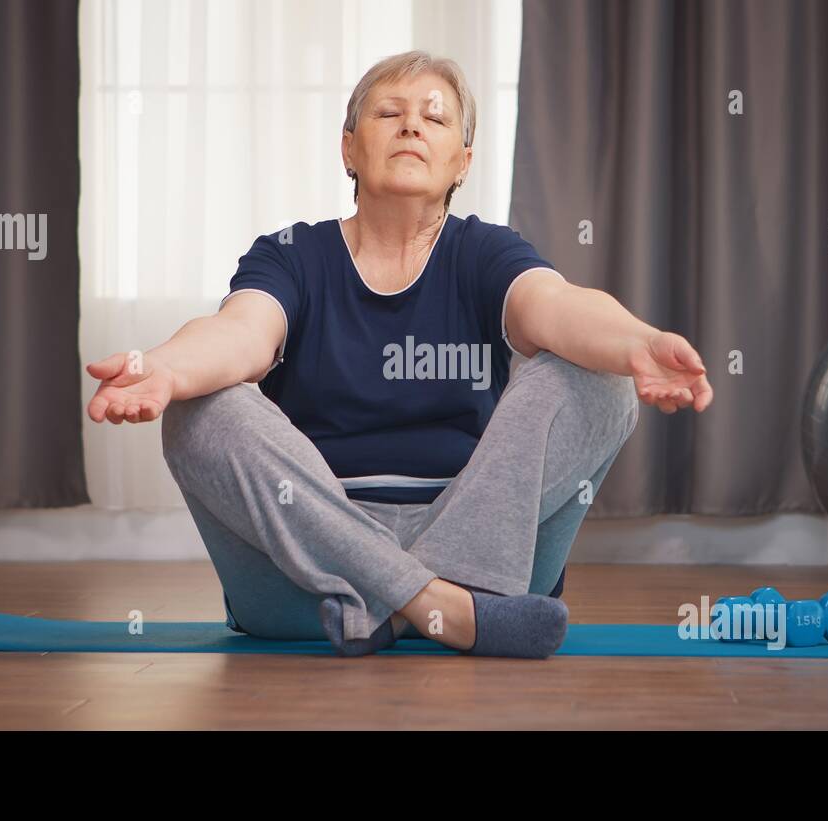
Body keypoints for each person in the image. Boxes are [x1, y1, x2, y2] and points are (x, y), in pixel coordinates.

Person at [86, 50, 713, 659]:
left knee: (601, 381)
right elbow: (240, 333)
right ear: (349, 147)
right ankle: (434, 607)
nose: (412, 124)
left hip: (480, 550)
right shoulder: (292, 255)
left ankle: (395, 605)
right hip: (311, 568)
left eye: (435, 117)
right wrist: (166, 369)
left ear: (462, 161)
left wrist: (637, 342)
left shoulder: (483, 252)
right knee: (199, 410)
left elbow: (556, 305)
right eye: (389, 113)